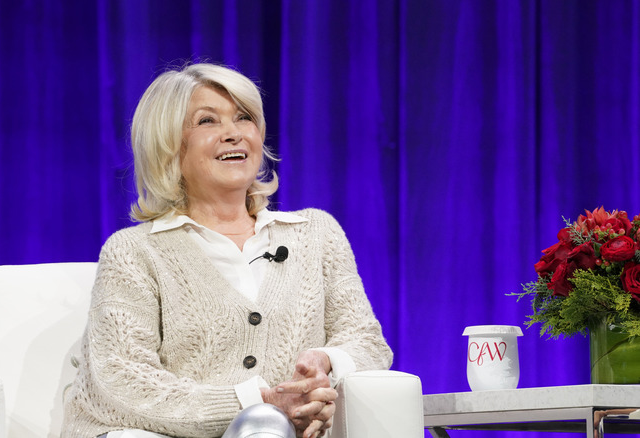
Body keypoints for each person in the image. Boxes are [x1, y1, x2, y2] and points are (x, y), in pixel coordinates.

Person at [61, 63, 393, 438]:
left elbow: (367, 341)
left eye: (244, 118)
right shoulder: (135, 252)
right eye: (207, 121)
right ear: (169, 143)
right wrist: (257, 403)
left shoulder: (316, 234)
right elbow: (123, 380)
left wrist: (326, 363)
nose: (233, 134)